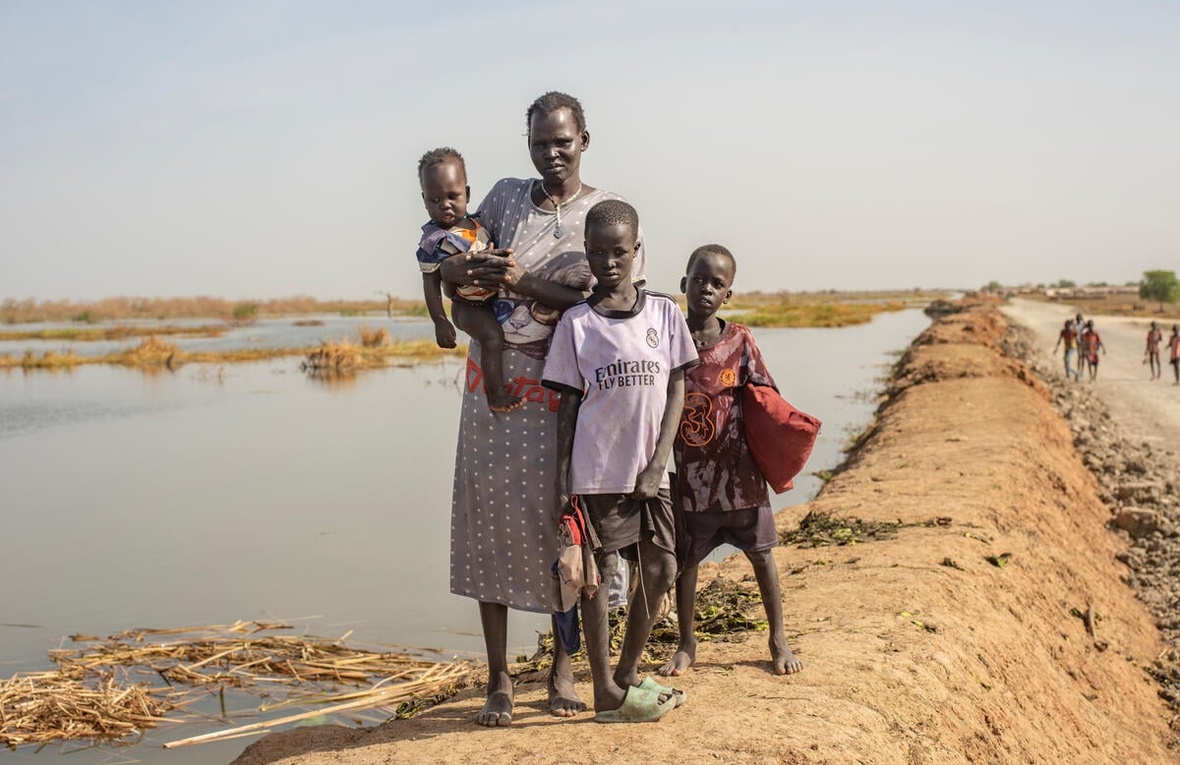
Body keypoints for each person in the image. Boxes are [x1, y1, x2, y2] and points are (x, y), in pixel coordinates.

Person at [438, 92, 647, 727]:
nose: (551, 153)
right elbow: (454, 250)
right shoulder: (503, 197)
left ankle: (564, 667)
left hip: (564, 396)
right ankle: (499, 679)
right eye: (539, 143)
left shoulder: (604, 216)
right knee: (488, 523)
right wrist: (457, 273)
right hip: (493, 388)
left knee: (565, 530)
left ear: (585, 139)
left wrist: (519, 281)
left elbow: (611, 304)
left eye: (562, 141)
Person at [543, 199, 697, 723]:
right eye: (600, 252)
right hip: (598, 470)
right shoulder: (577, 324)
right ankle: (605, 685)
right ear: (587, 252)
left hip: (653, 471)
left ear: (637, 251)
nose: (610, 262)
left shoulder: (664, 314)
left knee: (662, 567)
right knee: (598, 575)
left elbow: (676, 388)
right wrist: (565, 480)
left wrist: (658, 464)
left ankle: (628, 670)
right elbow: (567, 405)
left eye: (620, 252)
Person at [656, 244, 804, 679]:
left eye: (717, 284)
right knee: (686, 564)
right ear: (684, 284)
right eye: (699, 280)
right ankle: (687, 644)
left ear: (728, 295)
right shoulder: (669, 338)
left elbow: (765, 397)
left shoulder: (739, 340)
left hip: (742, 480)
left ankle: (778, 639)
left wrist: (786, 440)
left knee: (762, 556)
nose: (706, 289)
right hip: (692, 481)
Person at [416, 148, 522, 413]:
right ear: (424, 200)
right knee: (491, 337)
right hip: (467, 306)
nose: (445, 204)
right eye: (435, 199)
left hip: (491, 298)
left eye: (453, 196)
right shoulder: (433, 241)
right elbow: (430, 283)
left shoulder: (478, 224)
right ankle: (496, 395)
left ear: (468, 194)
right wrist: (440, 321)